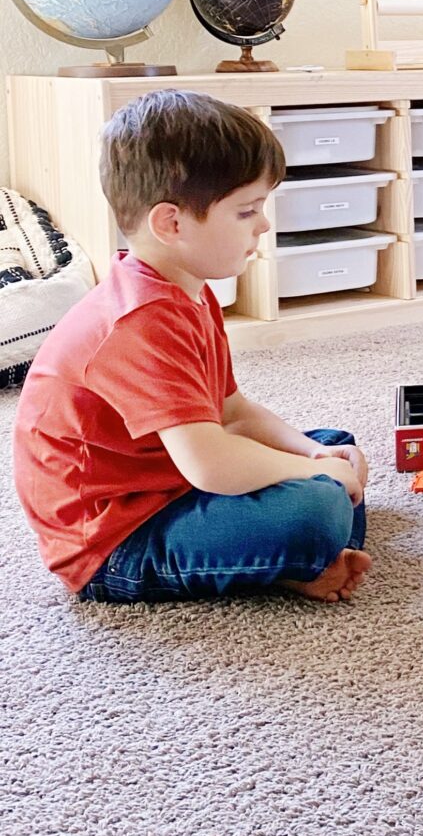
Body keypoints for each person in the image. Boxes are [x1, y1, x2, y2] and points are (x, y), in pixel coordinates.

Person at [12, 91, 370, 604]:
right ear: (171, 224)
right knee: (317, 509)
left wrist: (315, 454)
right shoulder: (141, 319)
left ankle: (303, 560)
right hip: (113, 540)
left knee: (336, 444)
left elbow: (231, 412)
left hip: (168, 479)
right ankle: (303, 558)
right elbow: (211, 465)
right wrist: (316, 473)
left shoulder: (187, 288)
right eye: (247, 211)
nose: (264, 225)